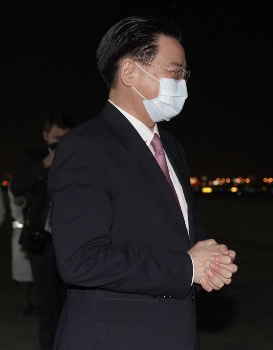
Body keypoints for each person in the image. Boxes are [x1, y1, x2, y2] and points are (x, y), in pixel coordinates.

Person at [47, 15, 238, 349]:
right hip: (115, 338)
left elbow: (182, 228)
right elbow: (81, 260)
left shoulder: (172, 147)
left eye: (184, 73)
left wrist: (208, 256)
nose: (183, 83)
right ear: (131, 73)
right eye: (175, 71)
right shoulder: (85, 147)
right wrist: (186, 268)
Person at [10, 114, 73, 350]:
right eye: (57, 138)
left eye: (67, 139)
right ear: (46, 136)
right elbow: (17, 185)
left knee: (73, 305)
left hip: (72, 244)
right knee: (48, 307)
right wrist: (47, 162)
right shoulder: (35, 157)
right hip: (42, 243)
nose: (62, 144)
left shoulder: (80, 158)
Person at [8, 186, 36, 316]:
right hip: (21, 232)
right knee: (24, 271)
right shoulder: (16, 183)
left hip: (37, 230)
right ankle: (27, 302)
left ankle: (38, 302)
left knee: (38, 269)